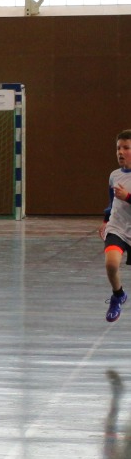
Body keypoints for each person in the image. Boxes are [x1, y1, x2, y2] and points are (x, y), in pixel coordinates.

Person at [101, 131, 131, 322]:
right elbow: (112, 203)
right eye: (118, 148)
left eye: (126, 148)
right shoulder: (114, 175)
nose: (121, 152)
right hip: (117, 227)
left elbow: (124, 198)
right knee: (111, 264)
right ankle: (118, 295)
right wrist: (106, 221)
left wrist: (127, 197)